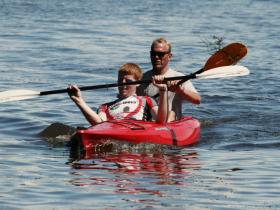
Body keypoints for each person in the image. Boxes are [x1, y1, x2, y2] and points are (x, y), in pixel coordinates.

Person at [67, 63, 168, 126]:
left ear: (137, 83)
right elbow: (99, 123)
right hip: (114, 131)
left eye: (128, 81)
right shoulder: (105, 106)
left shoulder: (147, 100)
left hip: (137, 131)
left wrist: (163, 91)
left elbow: (162, 121)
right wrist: (79, 101)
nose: (123, 83)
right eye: (120, 80)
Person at [137, 37, 201, 121]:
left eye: (160, 54)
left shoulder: (179, 77)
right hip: (147, 125)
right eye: (153, 53)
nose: (156, 57)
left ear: (169, 56)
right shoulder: (142, 78)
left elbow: (197, 100)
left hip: (171, 123)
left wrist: (180, 91)